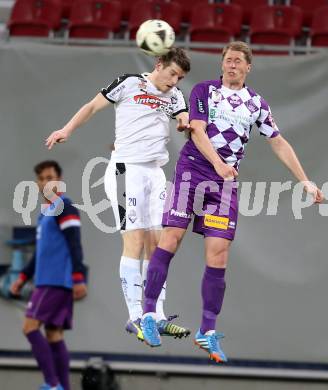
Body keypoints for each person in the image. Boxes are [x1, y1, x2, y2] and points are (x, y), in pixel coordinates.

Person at [139, 41, 324, 362]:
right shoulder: (204, 90)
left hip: (223, 185)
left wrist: (304, 180)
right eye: (227, 60)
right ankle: (149, 315)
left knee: (219, 253)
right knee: (170, 238)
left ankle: (207, 331)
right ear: (222, 64)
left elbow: (278, 142)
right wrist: (219, 164)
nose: (232, 65)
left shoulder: (256, 104)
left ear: (248, 67)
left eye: (238, 61)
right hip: (192, 172)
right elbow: (196, 130)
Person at [45, 48, 191, 342]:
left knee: (157, 246)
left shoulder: (175, 96)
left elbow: (185, 118)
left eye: (181, 77)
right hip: (127, 170)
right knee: (134, 241)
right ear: (159, 64)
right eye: (173, 73)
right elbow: (91, 106)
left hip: (155, 173)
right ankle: (134, 316)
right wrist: (67, 129)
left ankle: (155, 315)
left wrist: (185, 123)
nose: (175, 81)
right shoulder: (129, 83)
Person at [11, 160, 88, 390]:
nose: (46, 183)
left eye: (50, 178)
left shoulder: (64, 207)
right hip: (47, 282)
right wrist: (23, 277)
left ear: (59, 181)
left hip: (54, 283)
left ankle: (51, 384)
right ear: (37, 184)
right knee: (54, 334)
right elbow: (40, 253)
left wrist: (78, 277)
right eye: (42, 179)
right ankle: (63, 386)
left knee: (29, 327)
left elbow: (75, 244)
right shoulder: (45, 214)